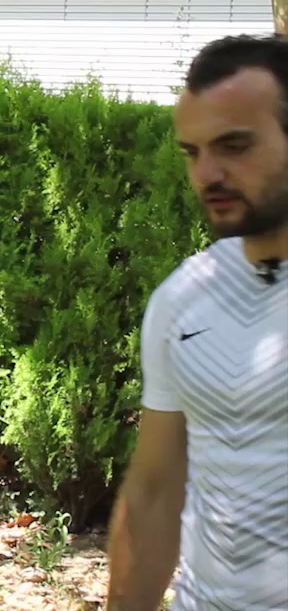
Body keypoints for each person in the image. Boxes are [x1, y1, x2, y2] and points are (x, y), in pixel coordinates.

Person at [106, 34, 288, 611]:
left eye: (234, 146)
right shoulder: (186, 297)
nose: (208, 173)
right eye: (192, 152)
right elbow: (155, 492)